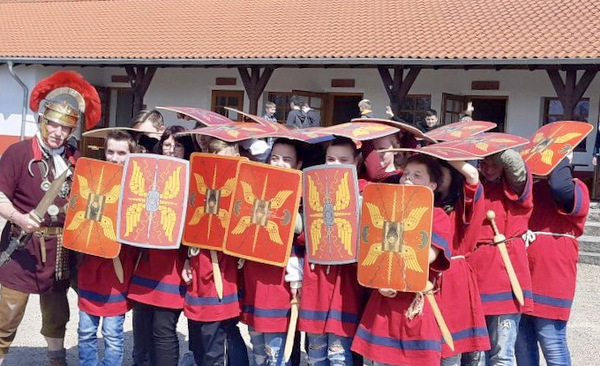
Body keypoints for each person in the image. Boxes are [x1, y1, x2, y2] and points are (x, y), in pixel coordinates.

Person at [0, 70, 101, 366]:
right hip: (22, 248)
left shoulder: (76, 159)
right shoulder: (18, 153)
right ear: (43, 121)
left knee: (57, 316)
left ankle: (57, 361)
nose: (57, 132)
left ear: (71, 132)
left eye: (65, 128)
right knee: (7, 315)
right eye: (53, 124)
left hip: (60, 252)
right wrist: (18, 217)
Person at [351, 154, 453, 366]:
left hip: (415, 307)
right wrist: (380, 282)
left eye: (417, 175)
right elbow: (372, 253)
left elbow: (427, 256)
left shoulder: (438, 216)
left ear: (432, 185)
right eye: (405, 174)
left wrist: (393, 278)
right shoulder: (383, 211)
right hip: (384, 305)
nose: (408, 179)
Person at [128, 126, 193, 366]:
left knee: (163, 329)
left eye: (178, 145)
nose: (172, 150)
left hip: (173, 264)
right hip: (147, 260)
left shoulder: (193, 177)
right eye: (167, 144)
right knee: (142, 324)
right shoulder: (147, 173)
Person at [515, 154, 589, 366]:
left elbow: (560, 187)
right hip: (524, 275)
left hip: (553, 277)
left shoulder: (577, 188)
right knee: (523, 349)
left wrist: (562, 157)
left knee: (552, 343)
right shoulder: (533, 189)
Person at [299, 137, 367, 366]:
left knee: (339, 354)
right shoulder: (310, 187)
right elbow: (304, 234)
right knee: (316, 354)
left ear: (356, 162)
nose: (335, 164)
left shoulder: (366, 190)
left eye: (343, 159)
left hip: (344, 286)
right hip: (316, 280)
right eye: (331, 159)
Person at [181, 138, 249, 366]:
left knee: (219, 334)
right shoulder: (200, 183)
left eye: (228, 159)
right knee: (201, 334)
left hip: (224, 271)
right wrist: (187, 259)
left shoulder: (243, 187)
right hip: (200, 266)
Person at [466, 149, 534, 366]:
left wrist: (494, 150)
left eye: (492, 163)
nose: (486, 168)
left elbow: (516, 167)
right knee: (475, 354)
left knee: (502, 354)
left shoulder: (514, 188)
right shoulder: (475, 187)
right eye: (482, 163)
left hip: (507, 270)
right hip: (477, 271)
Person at [77, 130, 139, 366]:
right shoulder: (92, 179)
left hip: (118, 269)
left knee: (113, 334)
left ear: (131, 154)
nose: (114, 157)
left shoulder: (137, 186)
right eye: (110, 151)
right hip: (91, 267)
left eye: (121, 153)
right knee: (85, 331)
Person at [241, 138, 305, 366]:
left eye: (287, 160)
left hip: (281, 281)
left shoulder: (304, 197)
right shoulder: (256, 187)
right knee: (258, 350)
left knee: (277, 352)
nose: (279, 164)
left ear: (298, 165)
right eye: (275, 158)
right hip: (255, 275)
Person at [435, 160, 490, 366]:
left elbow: (473, 177)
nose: (437, 178)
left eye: (441, 173)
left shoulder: (462, 207)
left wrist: (445, 154)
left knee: (450, 349)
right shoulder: (423, 203)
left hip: (453, 280)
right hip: (424, 281)